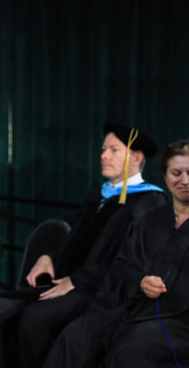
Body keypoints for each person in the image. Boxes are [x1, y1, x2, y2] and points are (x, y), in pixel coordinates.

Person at [0, 123, 169, 368]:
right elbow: (80, 242)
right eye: (104, 149)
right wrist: (49, 257)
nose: (103, 155)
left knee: (35, 320)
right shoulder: (99, 195)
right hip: (66, 284)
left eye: (114, 150)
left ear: (136, 157)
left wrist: (78, 281)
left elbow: (134, 261)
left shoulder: (150, 202)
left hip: (101, 293)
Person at [43, 140, 189, 367]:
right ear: (165, 176)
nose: (185, 181)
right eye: (176, 173)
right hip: (132, 308)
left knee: (130, 348)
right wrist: (141, 282)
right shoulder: (150, 220)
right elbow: (122, 266)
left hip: (180, 321)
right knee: (74, 337)